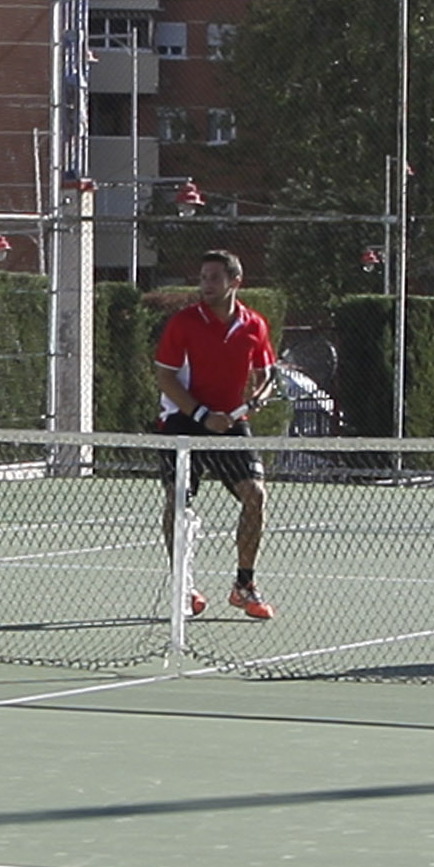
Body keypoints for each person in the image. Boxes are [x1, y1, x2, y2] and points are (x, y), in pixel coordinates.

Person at [154, 249, 276, 621]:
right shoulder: (184, 322)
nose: (206, 284)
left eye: (214, 277)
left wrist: (255, 402)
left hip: (229, 423)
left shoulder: (254, 324)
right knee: (179, 502)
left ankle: (244, 586)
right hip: (181, 420)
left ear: (234, 282)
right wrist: (203, 416)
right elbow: (165, 377)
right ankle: (183, 587)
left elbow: (267, 377)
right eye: (203, 277)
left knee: (255, 495)